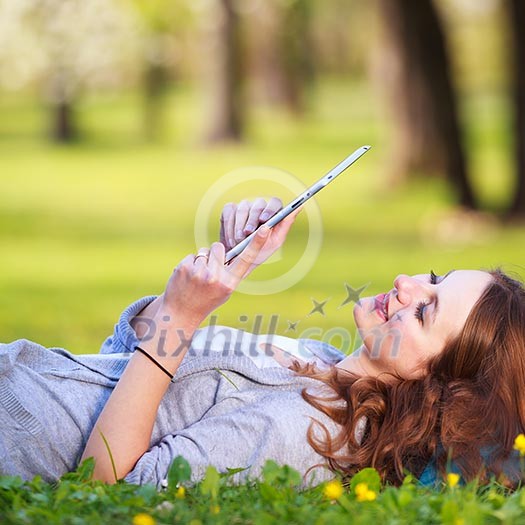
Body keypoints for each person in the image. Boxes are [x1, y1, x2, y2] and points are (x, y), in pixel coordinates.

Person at [0, 198, 523, 488]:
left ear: (439, 386)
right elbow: (119, 360)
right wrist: (235, 260)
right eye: (433, 277)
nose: (408, 284)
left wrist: (183, 317)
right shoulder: (320, 362)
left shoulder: (309, 433)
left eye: (426, 309)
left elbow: (103, 482)